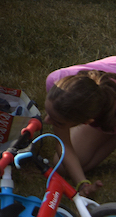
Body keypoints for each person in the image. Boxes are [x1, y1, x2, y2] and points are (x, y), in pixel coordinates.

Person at [43, 57, 116, 198]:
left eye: (58, 122)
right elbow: (63, 144)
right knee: (62, 166)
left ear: (87, 121)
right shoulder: (57, 82)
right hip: (107, 108)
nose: (46, 121)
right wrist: (82, 184)